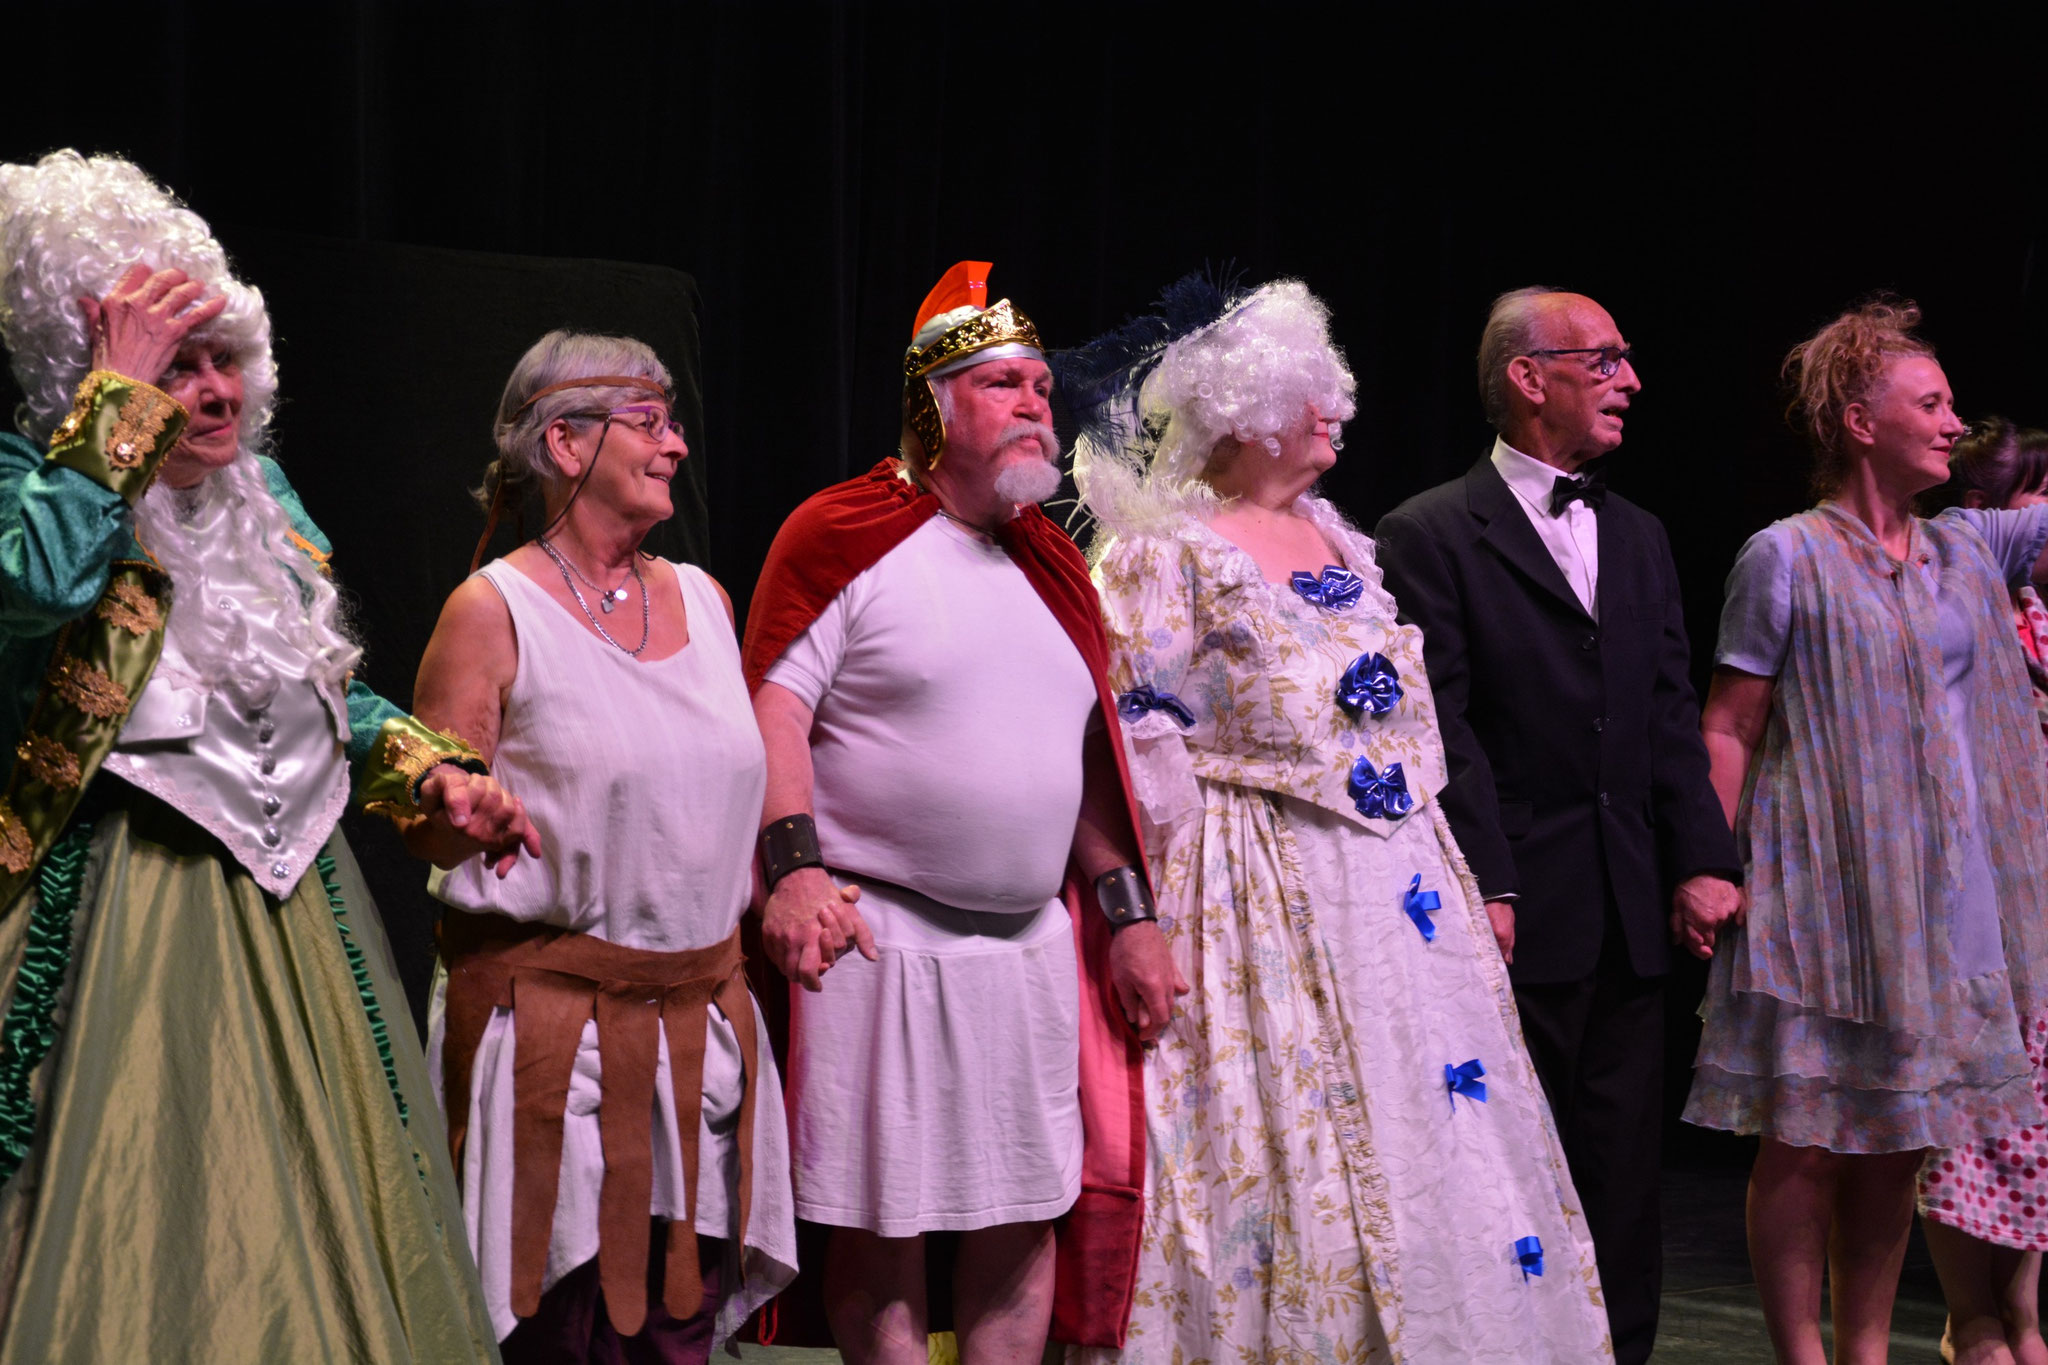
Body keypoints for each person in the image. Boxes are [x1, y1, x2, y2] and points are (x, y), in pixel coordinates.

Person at [0, 149, 537, 1360]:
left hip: (291, 908)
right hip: (121, 904)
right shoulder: (32, 482)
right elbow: (38, 584)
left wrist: (430, 770)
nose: (212, 392)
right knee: (136, 1205)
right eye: (174, 366)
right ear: (94, 375)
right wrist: (117, 405)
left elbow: (317, 689)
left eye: (222, 359)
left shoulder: (264, 498)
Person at [1060, 275, 1612, 1362]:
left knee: (1434, 1129)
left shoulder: (1340, 541)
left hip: (1396, 894)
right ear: (1246, 409)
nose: (1337, 412)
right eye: (1311, 393)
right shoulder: (1167, 549)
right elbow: (1125, 735)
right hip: (1248, 883)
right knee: (1276, 1148)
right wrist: (1141, 907)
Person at [739, 261, 1182, 1363]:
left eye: (1041, 385)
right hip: (879, 941)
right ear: (932, 409)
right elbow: (772, 708)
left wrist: (1129, 915)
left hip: (1030, 947)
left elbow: (1084, 767)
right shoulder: (840, 532)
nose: (1036, 403)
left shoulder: (1054, 565)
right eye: (1002, 384)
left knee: (1023, 1217)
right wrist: (793, 871)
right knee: (880, 1225)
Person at [411, 330, 798, 1361]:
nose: (677, 445)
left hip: (697, 1046)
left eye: (675, 423)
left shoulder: (707, 600)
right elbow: (426, 815)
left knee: (676, 1333)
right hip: (554, 1050)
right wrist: (458, 805)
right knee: (563, 1333)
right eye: (650, 423)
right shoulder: (493, 611)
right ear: (566, 443)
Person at [1373, 286, 1742, 1364]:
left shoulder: (1637, 533)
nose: (1631, 381)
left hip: (1627, 901)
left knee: (1623, 1177)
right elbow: (1441, 727)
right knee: (1506, 1171)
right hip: (1513, 903)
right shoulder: (1429, 531)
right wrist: (1488, 881)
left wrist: (1701, 858)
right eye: (1606, 360)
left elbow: (1667, 711)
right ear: (1529, 377)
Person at [1684, 300, 2048, 1365]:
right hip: (1821, 892)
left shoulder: (1964, 550)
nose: (1952, 423)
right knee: (1804, 1142)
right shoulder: (1785, 556)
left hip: (1947, 893)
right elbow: (1729, 724)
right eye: (1928, 404)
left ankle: (1866, 1354)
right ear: (1858, 421)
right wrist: (1709, 865)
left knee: (1898, 1140)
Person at [1917, 416, 2048, 1365]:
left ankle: (2020, 1312)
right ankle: (1974, 1317)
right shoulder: (1948, 597)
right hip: (1971, 899)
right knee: (1970, 1112)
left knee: (2038, 1111)